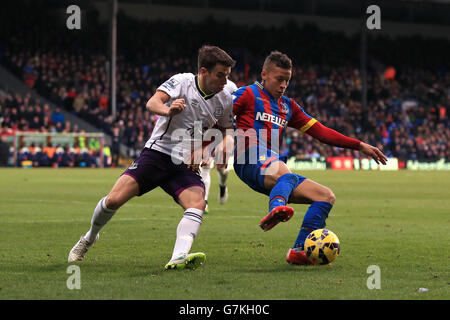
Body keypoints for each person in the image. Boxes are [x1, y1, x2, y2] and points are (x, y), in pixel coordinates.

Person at [68, 45, 236, 270]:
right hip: (157, 154)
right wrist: (168, 111)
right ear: (203, 72)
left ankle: (178, 257)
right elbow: (152, 102)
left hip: (184, 163)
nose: (225, 81)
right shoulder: (182, 82)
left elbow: (226, 130)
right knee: (113, 200)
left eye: (227, 75)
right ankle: (89, 238)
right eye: (220, 75)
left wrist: (208, 150)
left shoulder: (225, 98)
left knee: (197, 204)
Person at [232, 51, 387, 265]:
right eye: (279, 79)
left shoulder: (287, 106)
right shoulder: (247, 94)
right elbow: (216, 113)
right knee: (284, 171)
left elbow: (321, 132)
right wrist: (203, 146)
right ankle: (276, 209)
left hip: (273, 170)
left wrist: (358, 145)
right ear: (264, 74)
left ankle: (298, 250)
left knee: (325, 196)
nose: (283, 85)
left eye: (287, 80)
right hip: (248, 159)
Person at [200, 81, 237, 213]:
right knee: (205, 165)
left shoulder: (231, 87)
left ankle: (222, 184)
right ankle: (203, 202)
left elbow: (236, 109)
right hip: (208, 128)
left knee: (220, 167)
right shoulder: (202, 83)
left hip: (225, 130)